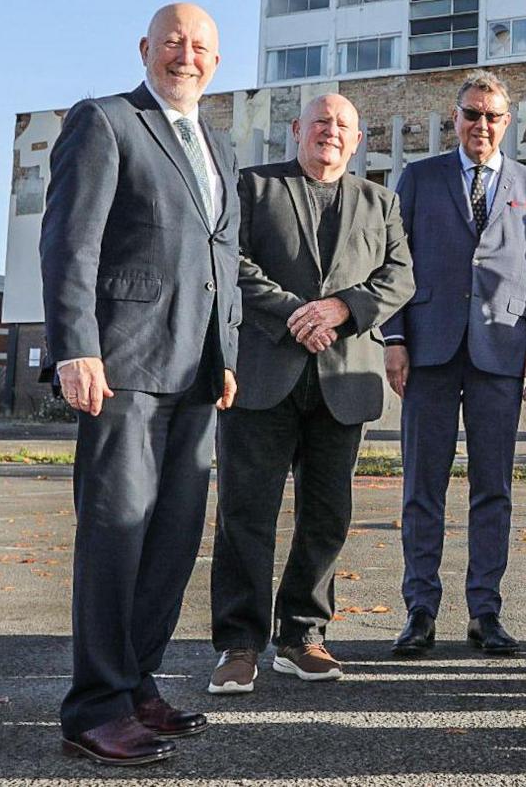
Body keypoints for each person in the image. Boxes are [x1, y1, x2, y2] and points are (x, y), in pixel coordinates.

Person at [41, 3, 239, 766]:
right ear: (145, 49)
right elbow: (70, 242)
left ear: (215, 64)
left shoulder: (213, 142)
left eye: (200, 47)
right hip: (122, 365)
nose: (186, 55)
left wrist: (226, 356)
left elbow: (219, 259)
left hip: (195, 374)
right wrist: (75, 347)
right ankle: (93, 707)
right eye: (173, 43)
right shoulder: (105, 121)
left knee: (172, 539)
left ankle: (135, 685)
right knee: (117, 534)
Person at [207, 93, 414, 694]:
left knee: (327, 515)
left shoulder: (382, 202)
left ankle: (302, 636)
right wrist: (296, 312)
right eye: (320, 122)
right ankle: (238, 644)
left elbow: (399, 276)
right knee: (247, 514)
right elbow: (231, 262)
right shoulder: (253, 187)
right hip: (263, 377)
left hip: (343, 380)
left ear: (357, 141)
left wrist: (343, 309)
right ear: (297, 130)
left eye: (342, 125)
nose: (330, 132)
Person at [383, 69, 526, 657]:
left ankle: (485, 611)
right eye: (471, 113)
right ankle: (420, 611)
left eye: (492, 115)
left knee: (493, 491)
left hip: (501, 352)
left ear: (507, 123)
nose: (481, 124)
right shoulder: (419, 178)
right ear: (455, 118)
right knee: (421, 488)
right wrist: (393, 338)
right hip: (428, 349)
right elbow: (395, 263)